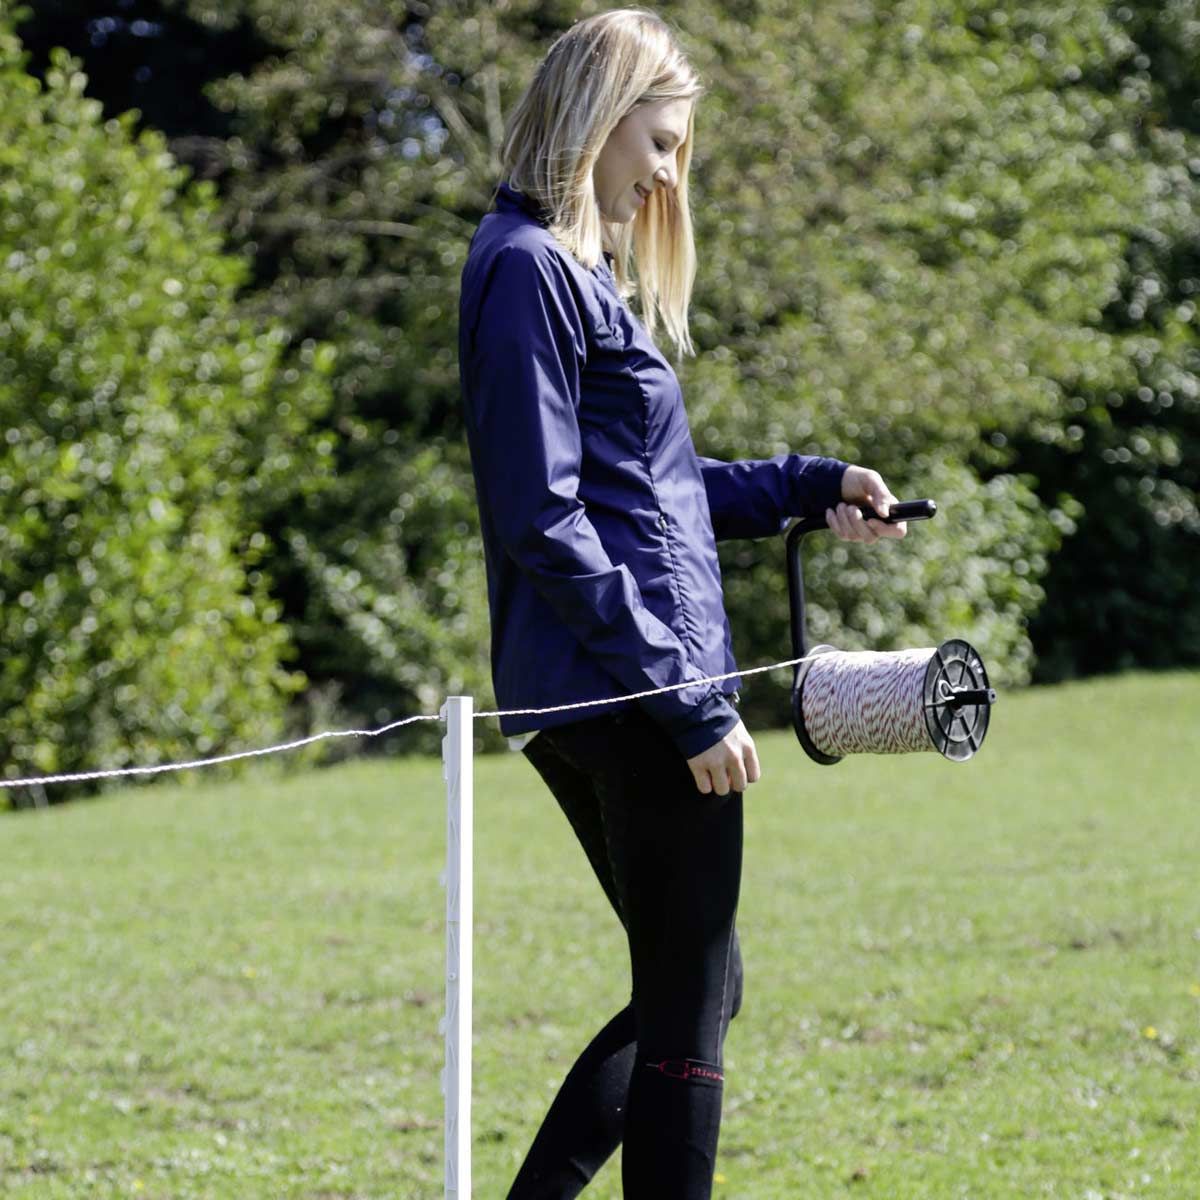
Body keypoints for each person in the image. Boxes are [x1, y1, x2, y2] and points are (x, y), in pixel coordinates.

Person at [457, 9, 905, 1197]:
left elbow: (654, 492)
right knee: (691, 1008)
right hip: (634, 689)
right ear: (597, 118)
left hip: (607, 685)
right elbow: (542, 515)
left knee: (696, 988)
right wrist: (690, 700)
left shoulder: (562, 273)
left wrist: (811, 487)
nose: (667, 175)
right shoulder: (529, 268)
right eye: (659, 142)